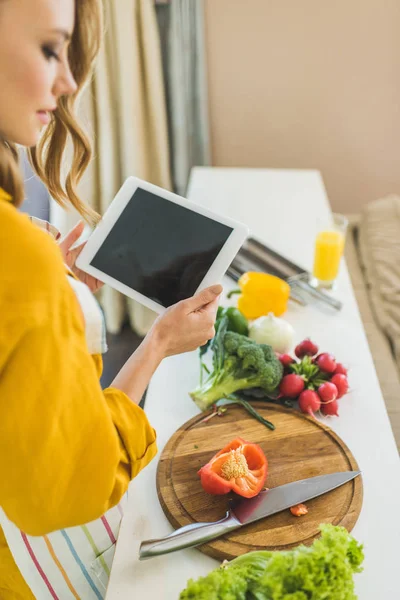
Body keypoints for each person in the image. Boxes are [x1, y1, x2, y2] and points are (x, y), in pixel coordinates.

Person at [0, 1, 222, 598]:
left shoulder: (21, 251)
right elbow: (71, 492)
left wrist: (44, 286)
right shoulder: (16, 253)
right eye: (50, 49)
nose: (69, 81)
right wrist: (157, 345)